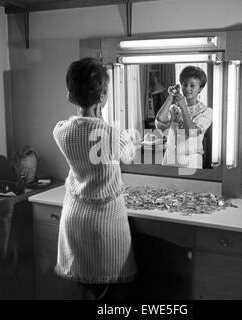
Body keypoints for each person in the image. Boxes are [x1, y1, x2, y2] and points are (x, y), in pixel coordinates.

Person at [53, 57, 137, 300]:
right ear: (102, 97)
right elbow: (128, 155)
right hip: (105, 224)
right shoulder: (114, 135)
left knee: (85, 291)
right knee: (112, 294)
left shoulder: (61, 131)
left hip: (74, 218)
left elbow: (86, 136)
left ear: (70, 96)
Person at [155, 66, 212, 169]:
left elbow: (192, 132)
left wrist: (183, 107)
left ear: (200, 88)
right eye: (185, 85)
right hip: (170, 157)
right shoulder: (174, 108)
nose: (187, 89)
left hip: (191, 159)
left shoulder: (206, 111)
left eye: (192, 86)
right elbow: (160, 119)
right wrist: (170, 97)